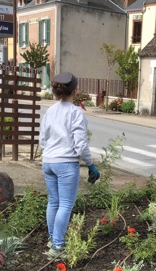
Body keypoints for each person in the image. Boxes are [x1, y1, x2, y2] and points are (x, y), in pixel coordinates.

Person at [39, 72, 100, 258]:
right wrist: (90, 164)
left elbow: (42, 140)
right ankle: (57, 247)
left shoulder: (50, 111)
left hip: (48, 162)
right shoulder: (75, 113)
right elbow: (80, 145)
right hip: (66, 164)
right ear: (75, 91)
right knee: (65, 204)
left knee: (54, 202)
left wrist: (50, 152)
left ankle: (52, 240)